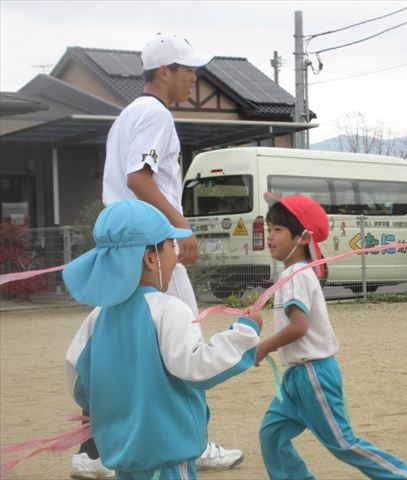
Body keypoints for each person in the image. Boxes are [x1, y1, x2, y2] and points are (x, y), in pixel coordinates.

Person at [70, 34, 245, 479]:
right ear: (164, 71)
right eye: (188, 69)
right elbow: (139, 178)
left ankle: (92, 448)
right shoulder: (155, 113)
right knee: (185, 336)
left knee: (117, 339)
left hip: (125, 244)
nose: (194, 78)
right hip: (149, 244)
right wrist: (180, 226)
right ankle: (194, 441)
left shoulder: (129, 113)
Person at [63, 199, 262, 480]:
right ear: (150, 258)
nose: (176, 256)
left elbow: (78, 379)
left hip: (122, 455)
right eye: (171, 246)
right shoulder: (168, 309)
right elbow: (197, 367)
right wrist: (245, 332)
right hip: (166, 453)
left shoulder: (97, 318)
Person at [255, 193, 407, 480]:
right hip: (296, 377)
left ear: (302, 238)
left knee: (343, 443)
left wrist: (264, 347)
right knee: (271, 435)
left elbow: (299, 327)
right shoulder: (292, 274)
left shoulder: (297, 274)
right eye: (268, 229)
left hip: (312, 374)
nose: (270, 236)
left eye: (278, 230)